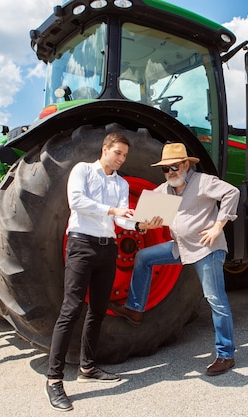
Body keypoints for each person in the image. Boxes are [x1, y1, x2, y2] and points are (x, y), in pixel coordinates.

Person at [45, 132, 158, 412]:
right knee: (70, 309)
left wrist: (141, 225)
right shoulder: (82, 170)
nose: (121, 159)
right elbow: (77, 202)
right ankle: (54, 379)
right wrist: (113, 209)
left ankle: (87, 367)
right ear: (104, 149)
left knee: (98, 310)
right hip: (82, 244)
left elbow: (120, 219)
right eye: (117, 153)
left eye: (124, 156)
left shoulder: (120, 182)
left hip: (108, 247)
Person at [110, 142, 240, 376]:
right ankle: (135, 308)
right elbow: (143, 219)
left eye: (174, 167)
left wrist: (218, 226)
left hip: (205, 248)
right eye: (165, 169)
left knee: (215, 301)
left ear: (185, 165)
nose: (170, 172)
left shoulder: (202, 182)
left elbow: (232, 192)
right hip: (180, 248)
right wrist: (142, 225)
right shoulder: (164, 191)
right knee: (143, 257)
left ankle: (226, 354)